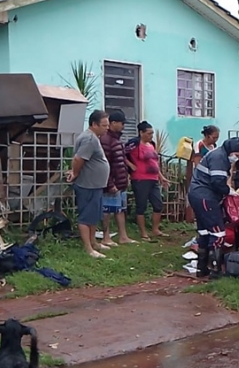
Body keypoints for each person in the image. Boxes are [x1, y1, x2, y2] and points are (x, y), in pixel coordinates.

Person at [188, 137, 239, 278]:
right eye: (236, 156)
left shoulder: (217, 154)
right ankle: (215, 270)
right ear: (231, 151)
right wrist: (228, 191)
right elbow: (217, 182)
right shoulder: (219, 158)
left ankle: (202, 269)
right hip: (206, 197)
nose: (235, 159)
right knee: (218, 233)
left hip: (197, 195)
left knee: (204, 232)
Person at [65, 110, 111, 258]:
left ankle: (93, 243)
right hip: (88, 184)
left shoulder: (93, 137)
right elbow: (78, 159)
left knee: (93, 216)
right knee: (86, 217)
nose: (107, 128)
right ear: (94, 124)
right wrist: (76, 173)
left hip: (94, 184)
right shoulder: (89, 139)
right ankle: (88, 248)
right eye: (104, 125)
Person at [99, 110, 136, 247]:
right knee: (107, 210)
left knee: (120, 209)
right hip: (111, 182)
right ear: (113, 123)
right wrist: (109, 183)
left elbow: (121, 161)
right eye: (121, 123)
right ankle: (106, 236)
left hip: (120, 182)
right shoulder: (105, 139)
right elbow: (105, 164)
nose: (123, 126)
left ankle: (123, 236)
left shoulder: (117, 139)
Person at [127, 121, 170, 240]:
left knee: (158, 204)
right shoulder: (134, 144)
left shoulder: (152, 145)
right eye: (149, 133)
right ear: (141, 133)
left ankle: (155, 229)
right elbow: (121, 154)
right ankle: (143, 232)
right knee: (141, 206)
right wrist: (130, 165)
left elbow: (154, 163)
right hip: (140, 179)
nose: (151, 136)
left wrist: (161, 177)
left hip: (153, 179)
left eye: (152, 133)